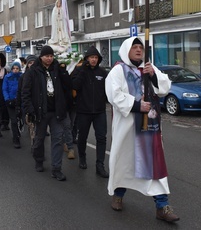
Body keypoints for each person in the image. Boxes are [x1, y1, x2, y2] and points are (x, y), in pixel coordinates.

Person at [104, 36, 179, 222]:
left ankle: (162, 206)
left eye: (141, 47)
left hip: (149, 129)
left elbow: (165, 87)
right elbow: (113, 95)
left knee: (154, 164)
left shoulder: (148, 68)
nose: (138, 50)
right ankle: (118, 195)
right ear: (126, 50)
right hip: (128, 128)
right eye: (134, 47)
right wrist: (137, 105)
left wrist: (153, 74)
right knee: (124, 163)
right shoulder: (118, 71)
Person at [21, 45, 72, 181]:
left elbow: (68, 86)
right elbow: (25, 93)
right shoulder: (33, 71)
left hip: (56, 111)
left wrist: (63, 70)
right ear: (41, 57)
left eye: (51, 56)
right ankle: (39, 159)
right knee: (39, 139)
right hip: (40, 112)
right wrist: (30, 110)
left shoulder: (57, 69)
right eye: (46, 56)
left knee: (58, 139)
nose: (49, 58)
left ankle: (56, 168)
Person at [72, 46, 109, 177]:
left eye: (95, 58)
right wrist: (82, 70)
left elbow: (109, 89)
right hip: (83, 111)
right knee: (82, 137)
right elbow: (74, 86)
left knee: (101, 138)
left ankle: (100, 165)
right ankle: (82, 158)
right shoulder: (79, 70)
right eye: (91, 57)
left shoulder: (103, 72)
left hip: (99, 111)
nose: (93, 60)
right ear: (86, 58)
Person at [17, 54, 37, 150]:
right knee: (32, 128)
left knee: (39, 130)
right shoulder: (23, 77)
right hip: (29, 106)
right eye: (30, 63)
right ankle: (34, 146)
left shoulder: (40, 75)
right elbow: (21, 92)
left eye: (34, 63)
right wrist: (19, 106)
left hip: (39, 106)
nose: (32, 65)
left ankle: (37, 147)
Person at [2, 60, 23, 148]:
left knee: (21, 119)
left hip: (20, 101)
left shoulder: (22, 77)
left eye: (17, 68)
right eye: (14, 68)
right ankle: (16, 138)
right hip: (10, 101)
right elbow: (4, 89)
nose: (15, 70)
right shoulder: (7, 77)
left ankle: (18, 131)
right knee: (14, 120)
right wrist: (7, 99)